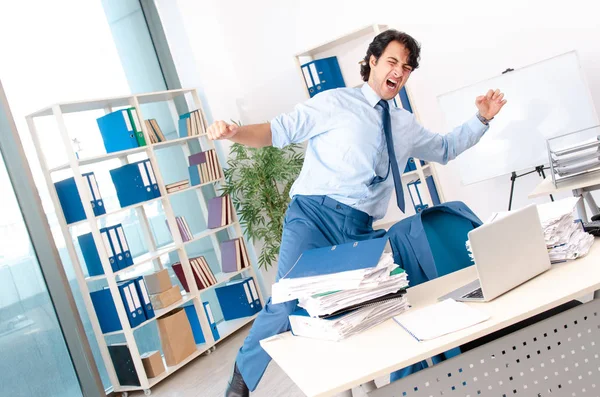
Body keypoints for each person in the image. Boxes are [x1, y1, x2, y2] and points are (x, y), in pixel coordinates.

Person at [207, 29, 507, 397]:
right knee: (287, 304)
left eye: (407, 68)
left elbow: (444, 149)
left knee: (394, 300)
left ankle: (405, 385)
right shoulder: (334, 103)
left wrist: (481, 120)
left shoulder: (404, 123)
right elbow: (276, 131)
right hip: (313, 217)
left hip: (360, 229)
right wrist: (234, 133)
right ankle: (238, 385)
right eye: (393, 62)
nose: (399, 72)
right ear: (372, 62)